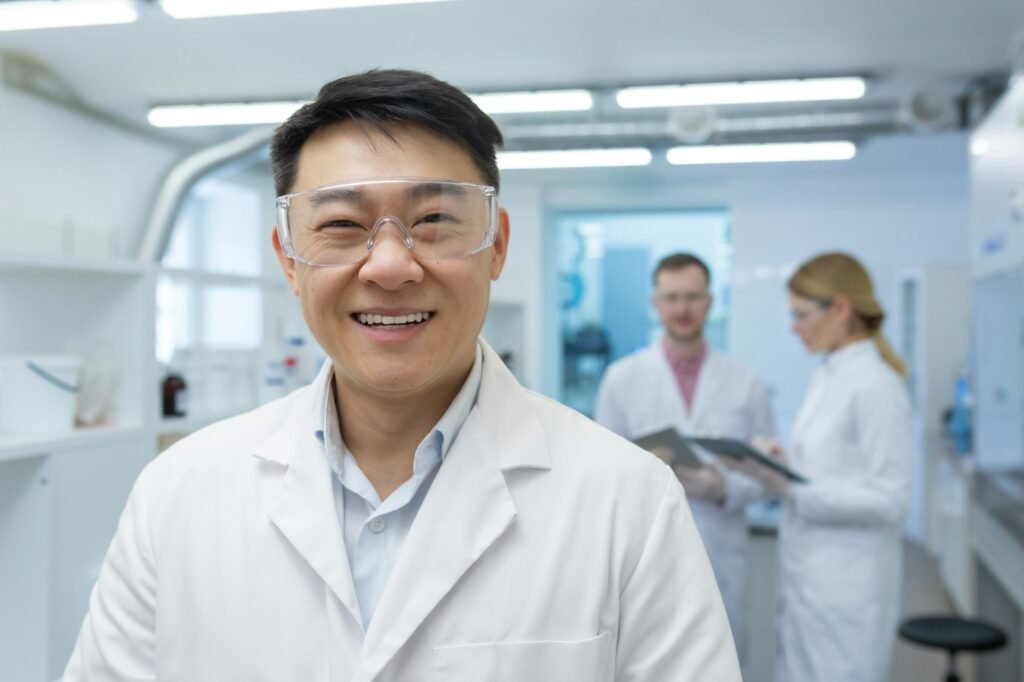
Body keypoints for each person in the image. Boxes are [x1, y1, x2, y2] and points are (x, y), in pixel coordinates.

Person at [64, 70, 740, 681]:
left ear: (497, 245)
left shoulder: (628, 500)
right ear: (289, 257)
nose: (389, 265)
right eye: (340, 224)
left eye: (436, 220)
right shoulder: (177, 495)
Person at [736, 252, 911, 682]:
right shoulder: (829, 373)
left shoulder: (877, 386)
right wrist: (783, 464)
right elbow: (834, 469)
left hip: (848, 586)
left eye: (801, 315)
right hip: (809, 575)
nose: (794, 327)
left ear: (841, 308)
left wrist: (790, 487)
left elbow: (891, 499)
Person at [595, 252, 777, 658]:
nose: (682, 308)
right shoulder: (622, 379)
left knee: (722, 658)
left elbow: (768, 473)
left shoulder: (745, 381)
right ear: (655, 303)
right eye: (672, 297)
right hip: (646, 545)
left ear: (710, 302)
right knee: (651, 659)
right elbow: (602, 470)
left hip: (721, 539)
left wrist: (724, 487)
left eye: (693, 297)